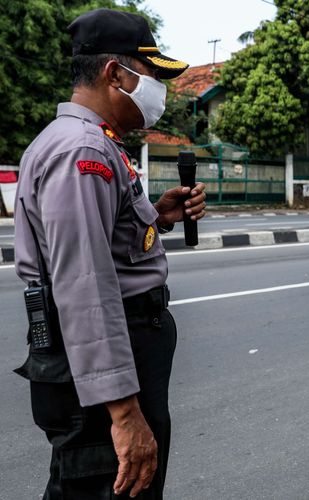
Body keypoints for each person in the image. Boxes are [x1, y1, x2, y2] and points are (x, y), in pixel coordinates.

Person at [13, 9, 204, 499]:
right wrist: (123, 413)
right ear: (115, 74)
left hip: (116, 360)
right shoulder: (83, 152)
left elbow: (102, 247)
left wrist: (157, 217)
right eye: (150, 75)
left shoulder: (92, 144)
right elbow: (84, 284)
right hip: (102, 374)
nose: (156, 88)